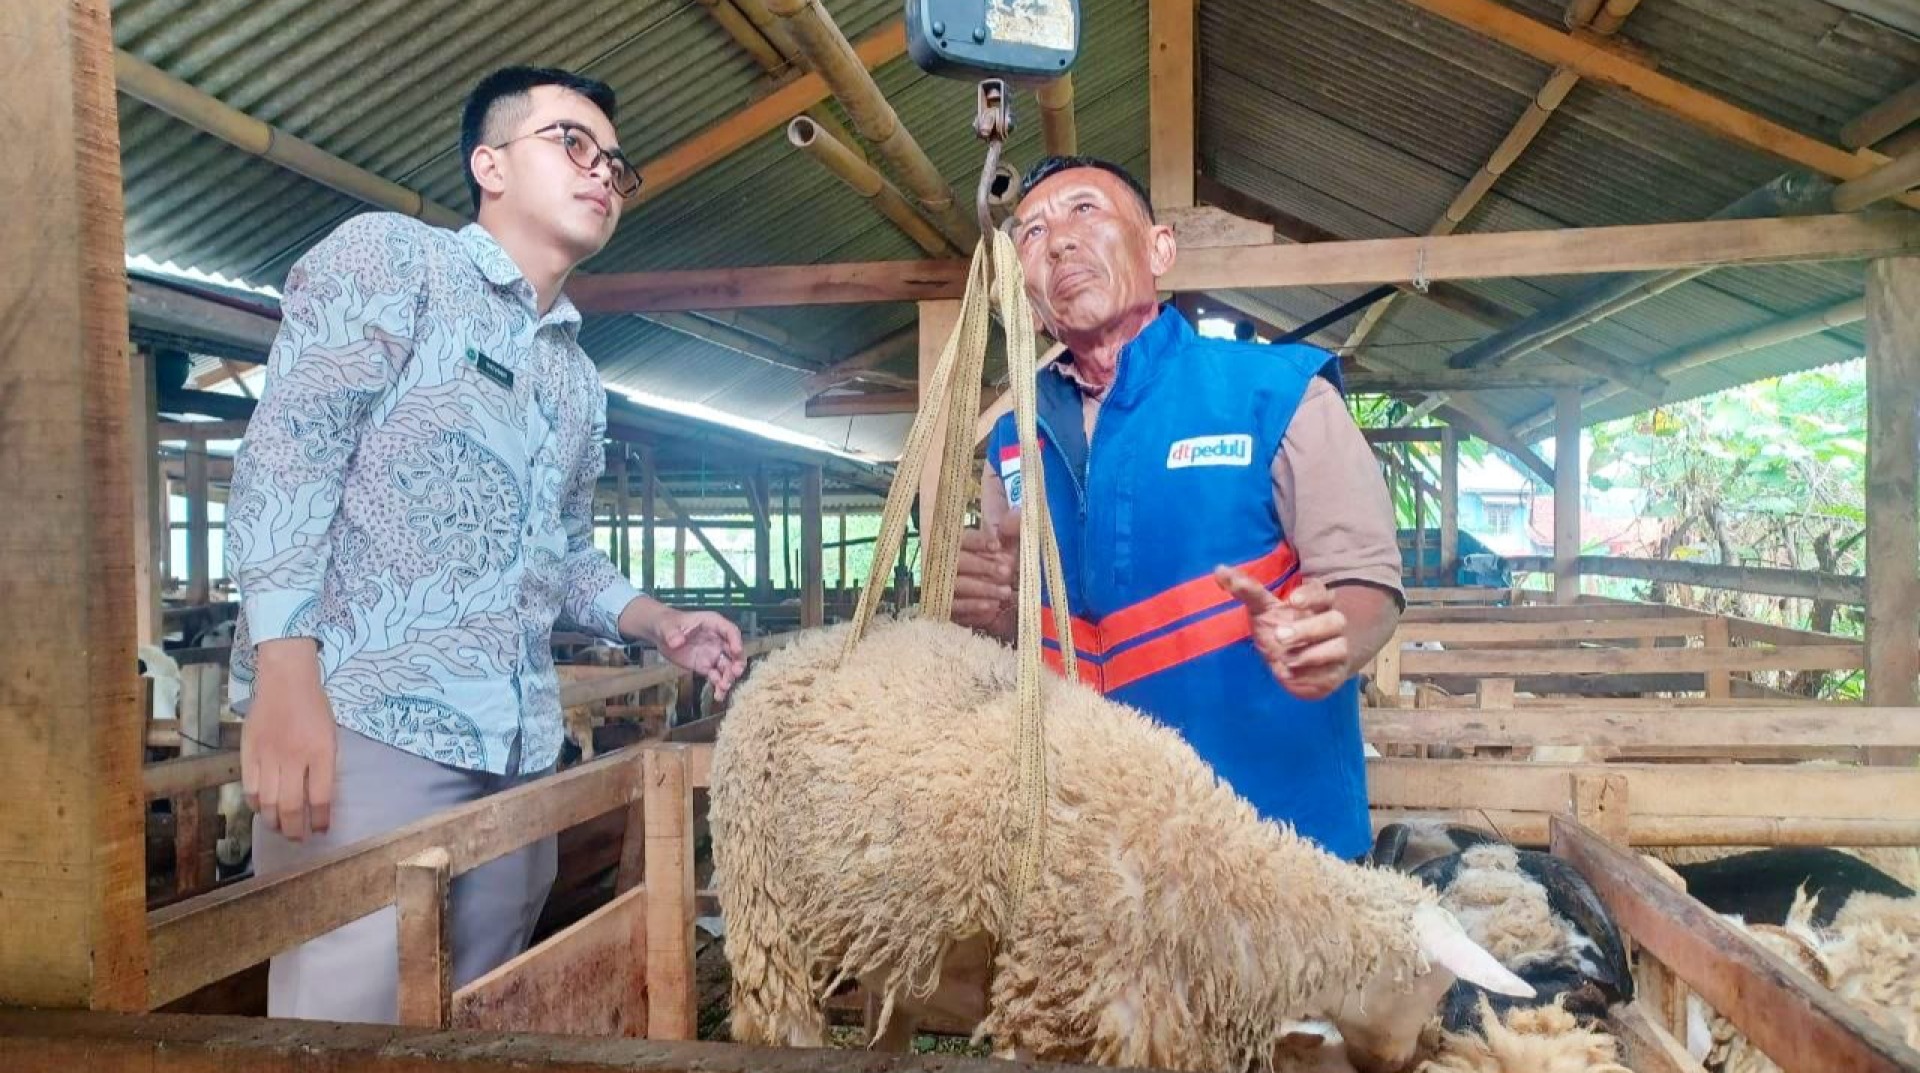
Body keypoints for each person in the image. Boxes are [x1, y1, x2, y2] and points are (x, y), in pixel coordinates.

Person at [225, 65, 747, 1023]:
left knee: (484, 1011)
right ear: (489, 164)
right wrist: (284, 672)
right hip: (369, 726)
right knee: (346, 1016)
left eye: (616, 165)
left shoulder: (578, 377)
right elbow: (286, 459)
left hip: (517, 749)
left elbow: (566, 551)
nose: (602, 173)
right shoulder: (396, 264)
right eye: (571, 143)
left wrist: (658, 620)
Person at [955, 155, 1403, 862]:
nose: (1059, 241)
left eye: (1085, 211)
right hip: (1090, 848)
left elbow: (1369, 581)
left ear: (1160, 248)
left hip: (1272, 842)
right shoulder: (1014, 436)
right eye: (1031, 233)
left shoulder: (1276, 394)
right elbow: (1014, 629)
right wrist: (985, 615)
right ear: (1024, 293)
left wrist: (1333, 637)